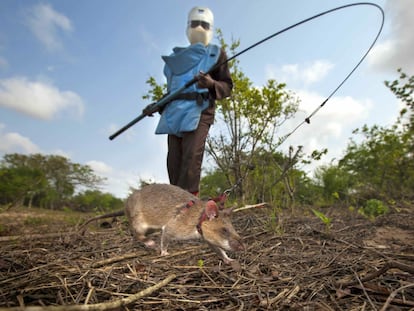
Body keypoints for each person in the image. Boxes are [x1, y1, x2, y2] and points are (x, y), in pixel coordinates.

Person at [152, 6, 233, 196]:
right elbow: (172, 92)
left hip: (200, 110)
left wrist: (211, 83)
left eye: (204, 24)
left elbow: (227, 86)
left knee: (191, 159)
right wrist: (156, 106)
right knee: (174, 161)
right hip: (174, 112)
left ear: (210, 28)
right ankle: (175, 204)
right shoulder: (176, 59)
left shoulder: (216, 55)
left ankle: (189, 205)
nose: (199, 28)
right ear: (188, 26)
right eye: (195, 23)